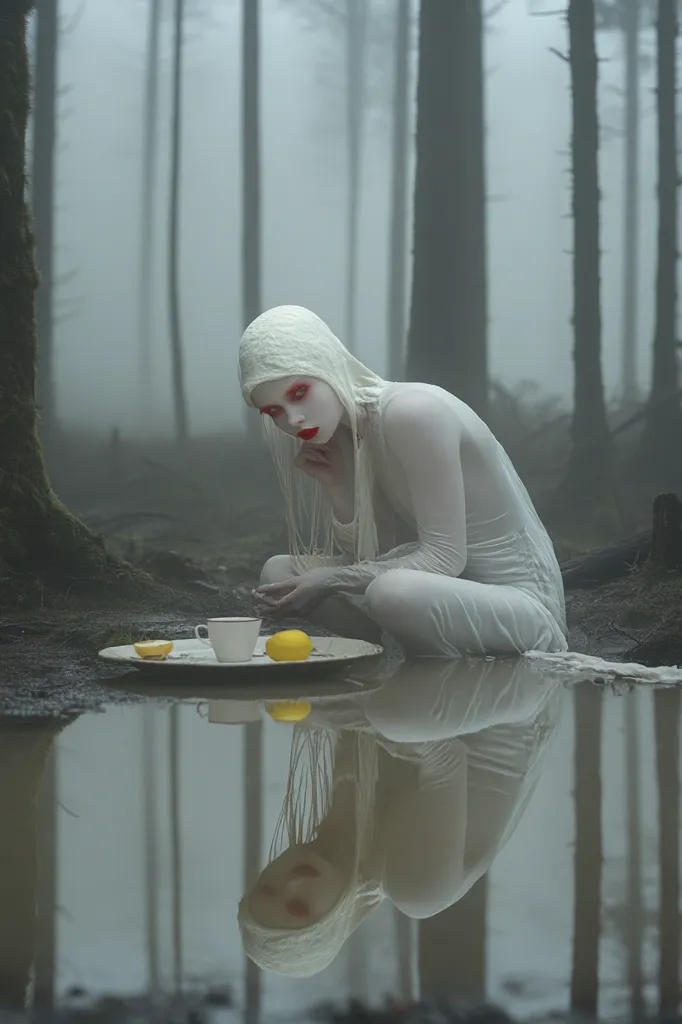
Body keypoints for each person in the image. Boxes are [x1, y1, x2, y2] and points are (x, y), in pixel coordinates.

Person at [239, 304, 568, 657]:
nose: (294, 420)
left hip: (520, 607)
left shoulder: (413, 413)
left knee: (391, 592)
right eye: (274, 412)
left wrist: (331, 579)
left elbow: (445, 558)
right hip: (437, 594)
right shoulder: (347, 430)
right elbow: (371, 556)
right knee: (279, 573)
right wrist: (337, 485)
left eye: (299, 393)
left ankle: (418, 667)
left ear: (326, 365)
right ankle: (393, 651)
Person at [237, 656, 565, 977]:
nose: (292, 882)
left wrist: (318, 705)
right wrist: (332, 711)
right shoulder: (415, 891)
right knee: (385, 630)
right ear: (332, 920)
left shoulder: (338, 830)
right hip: (514, 694)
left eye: (269, 887)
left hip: (450, 691)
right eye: (299, 906)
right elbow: (444, 755)